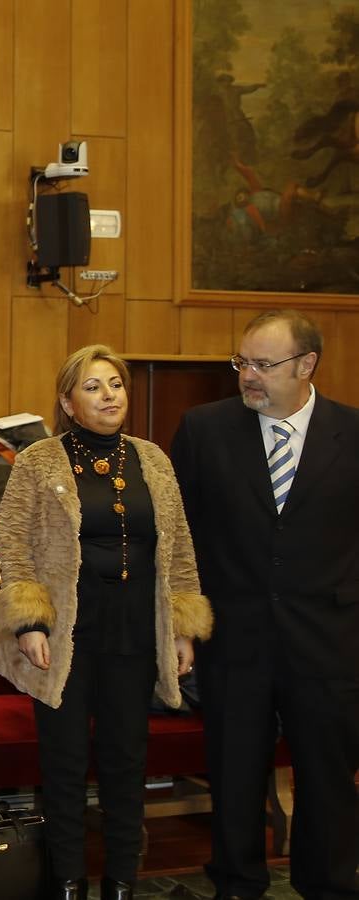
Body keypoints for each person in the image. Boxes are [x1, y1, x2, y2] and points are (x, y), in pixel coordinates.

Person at [0, 344, 212, 900]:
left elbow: (180, 545)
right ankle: (66, 883)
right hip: (64, 636)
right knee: (63, 767)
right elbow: (12, 544)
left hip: (136, 631)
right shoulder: (39, 461)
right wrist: (29, 621)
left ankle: (120, 884)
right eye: (92, 386)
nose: (108, 395)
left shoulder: (153, 458)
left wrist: (183, 625)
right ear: (67, 401)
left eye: (115, 383)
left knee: (125, 764)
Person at [172, 309, 359, 900]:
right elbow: (181, 539)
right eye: (241, 362)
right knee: (234, 777)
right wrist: (184, 623)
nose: (248, 376)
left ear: (307, 365)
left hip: (330, 641)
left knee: (328, 781)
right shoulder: (204, 430)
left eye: (263, 364)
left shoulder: (353, 434)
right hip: (235, 639)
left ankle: (327, 886)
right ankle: (236, 885)